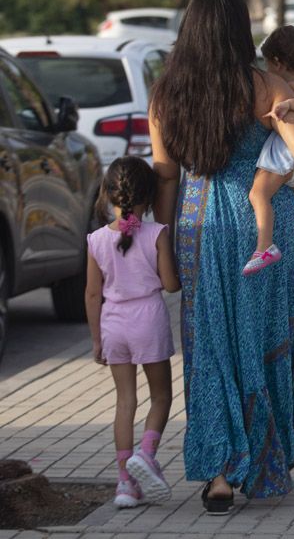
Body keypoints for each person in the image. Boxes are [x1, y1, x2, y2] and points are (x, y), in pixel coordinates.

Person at [150, 0, 294, 514]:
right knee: (265, 337)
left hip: (198, 224)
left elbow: (164, 179)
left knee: (211, 347)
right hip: (263, 225)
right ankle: (267, 459)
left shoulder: (165, 96)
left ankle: (221, 473)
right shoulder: (267, 86)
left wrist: (163, 253)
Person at [85, 156, 179, 510]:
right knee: (161, 397)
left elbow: (93, 294)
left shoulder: (95, 240)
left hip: (113, 325)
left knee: (125, 402)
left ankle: (125, 483)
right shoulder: (156, 234)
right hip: (148, 321)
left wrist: (97, 339)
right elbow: (170, 285)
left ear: (109, 194)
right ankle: (148, 454)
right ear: (150, 195)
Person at [243, 26, 294, 275]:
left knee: (257, 194)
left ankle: (265, 246)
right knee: (260, 194)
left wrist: (287, 103)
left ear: (278, 62)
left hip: (284, 156)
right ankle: (264, 245)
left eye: (267, 63)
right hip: (289, 159)